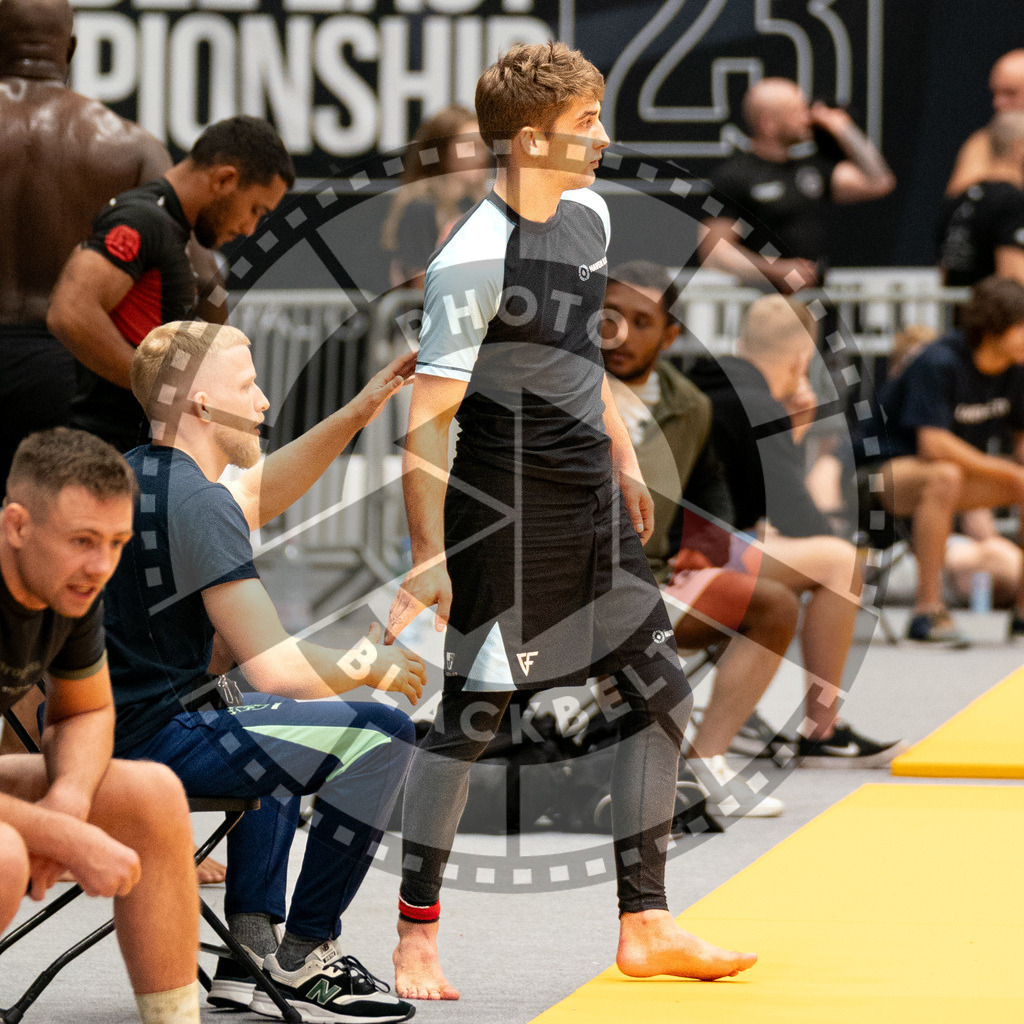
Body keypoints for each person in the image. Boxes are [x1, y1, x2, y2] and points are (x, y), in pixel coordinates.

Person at [385, 42, 758, 1002]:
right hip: (503, 512)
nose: (604, 137)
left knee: (661, 696)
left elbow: (577, 361)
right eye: (586, 123)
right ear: (530, 139)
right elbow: (425, 426)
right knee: (472, 719)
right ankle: (416, 938)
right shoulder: (471, 254)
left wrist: (626, 456)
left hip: (594, 496)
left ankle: (646, 921)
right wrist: (429, 555)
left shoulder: (588, 214)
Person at [100, 319, 426, 1022]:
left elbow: (254, 496)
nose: (265, 402)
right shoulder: (199, 502)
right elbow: (278, 667)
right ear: (198, 405)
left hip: (92, 734)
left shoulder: (132, 477)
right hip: (148, 745)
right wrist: (372, 665)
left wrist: (360, 409)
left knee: (264, 719)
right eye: (247, 386)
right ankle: (309, 949)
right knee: (382, 735)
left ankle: (246, 949)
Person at [0, 427, 202, 1024]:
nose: (101, 565)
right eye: (83, 540)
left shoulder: (67, 588)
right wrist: (62, 835)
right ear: (17, 525)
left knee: (152, 794)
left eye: (116, 542)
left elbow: (86, 709)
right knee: (6, 854)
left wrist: (67, 797)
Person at [601, 261, 797, 817]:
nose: (621, 334)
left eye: (643, 321)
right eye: (609, 317)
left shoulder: (692, 404)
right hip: (559, 586)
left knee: (774, 606)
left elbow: (711, 491)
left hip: (651, 582)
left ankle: (706, 761)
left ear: (671, 335)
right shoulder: (559, 388)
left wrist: (705, 547)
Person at [689, 296, 905, 766]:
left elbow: (757, 506)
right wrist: (798, 430)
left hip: (676, 543)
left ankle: (745, 716)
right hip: (694, 558)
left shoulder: (701, 380)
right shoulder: (758, 403)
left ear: (742, 342)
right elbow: (798, 518)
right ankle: (822, 730)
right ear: (802, 359)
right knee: (839, 561)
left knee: (791, 555)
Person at [0, 0, 172, 493]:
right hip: (75, 376)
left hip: (74, 366)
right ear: (70, 48)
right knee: (67, 540)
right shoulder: (132, 146)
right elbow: (191, 276)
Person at [47, 115, 294, 454]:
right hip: (110, 451)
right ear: (225, 179)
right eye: (255, 209)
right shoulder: (141, 219)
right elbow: (70, 313)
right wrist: (161, 391)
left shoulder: (180, 234)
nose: (250, 228)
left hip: (140, 450)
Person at [864, 277, 1024, 641]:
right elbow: (932, 444)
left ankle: (1022, 612)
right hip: (878, 475)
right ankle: (927, 611)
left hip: (944, 474)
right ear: (994, 328)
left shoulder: (1017, 370)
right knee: (945, 475)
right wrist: (1006, 469)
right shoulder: (939, 361)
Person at [699, 78, 895, 293]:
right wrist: (778, 270)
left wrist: (842, 127)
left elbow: (879, 181)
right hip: (764, 303)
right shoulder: (733, 177)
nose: (807, 118)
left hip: (815, 302)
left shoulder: (810, 169)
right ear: (768, 124)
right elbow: (715, 254)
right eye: (797, 111)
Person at [381, 104, 491, 288]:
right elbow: (421, 283)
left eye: (483, 146)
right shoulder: (420, 207)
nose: (480, 155)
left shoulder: (483, 205)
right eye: (469, 146)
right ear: (441, 152)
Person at [939, 112, 1024, 287]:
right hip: (996, 312)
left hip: (961, 311)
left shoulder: (958, 200)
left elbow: (946, 270)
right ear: (1019, 148)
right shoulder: (1013, 201)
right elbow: (1014, 277)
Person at [947, 49, 1024, 196]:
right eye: (995, 93)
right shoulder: (981, 143)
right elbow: (964, 205)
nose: (998, 103)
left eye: (1010, 93)